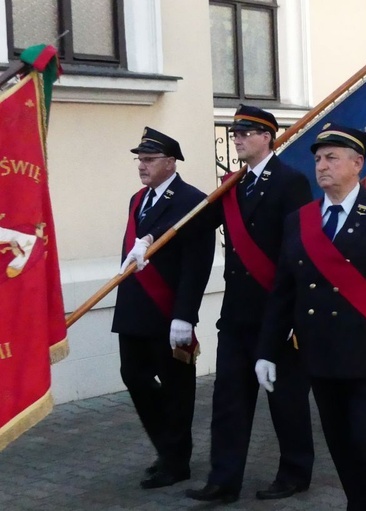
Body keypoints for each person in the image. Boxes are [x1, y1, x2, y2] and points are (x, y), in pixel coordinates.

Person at [255, 123, 366, 510]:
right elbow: (284, 291)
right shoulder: (300, 220)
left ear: (357, 164)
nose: (322, 166)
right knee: (340, 441)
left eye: (332, 158)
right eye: (318, 159)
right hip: (319, 355)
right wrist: (267, 350)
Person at [186, 106, 314, 504]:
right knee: (229, 399)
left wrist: (293, 314)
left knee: (286, 399)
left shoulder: (291, 183)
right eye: (235, 132)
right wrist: (151, 240)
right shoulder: (233, 186)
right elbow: (195, 225)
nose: (237, 138)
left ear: (267, 137)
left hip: (277, 315)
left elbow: (299, 252)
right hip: (238, 314)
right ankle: (224, 480)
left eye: (245, 132)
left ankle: (295, 472)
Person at [113, 127, 215, 489]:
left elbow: (197, 262)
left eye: (149, 159)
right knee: (133, 376)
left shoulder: (192, 201)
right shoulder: (137, 199)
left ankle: (176, 460)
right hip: (135, 308)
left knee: (176, 387)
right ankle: (167, 446)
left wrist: (185, 314)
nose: (142, 165)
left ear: (170, 163)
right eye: (139, 159)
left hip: (168, 311)